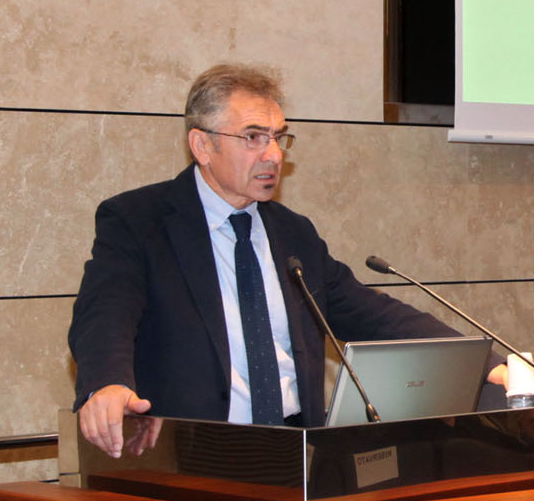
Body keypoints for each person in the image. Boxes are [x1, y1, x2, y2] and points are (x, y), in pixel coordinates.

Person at [68, 64, 454, 458]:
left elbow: (370, 312)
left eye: (278, 137)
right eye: (253, 137)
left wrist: (472, 357)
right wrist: (107, 384)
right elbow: (104, 314)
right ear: (202, 146)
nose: (273, 155)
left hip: (296, 449)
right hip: (192, 454)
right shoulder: (139, 222)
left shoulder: (294, 232)